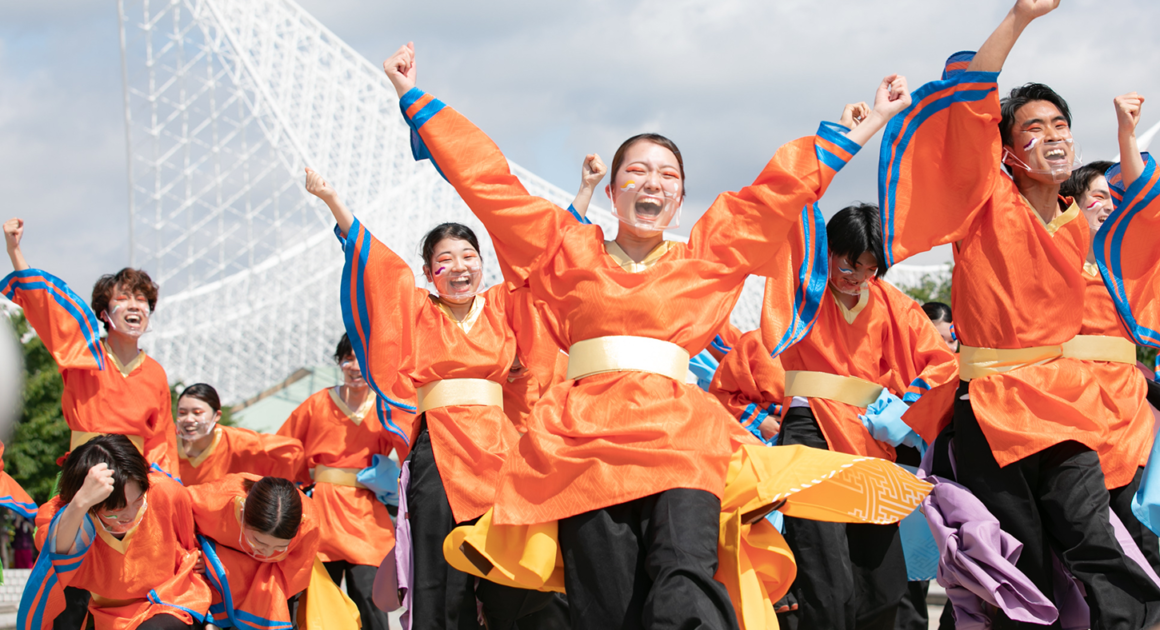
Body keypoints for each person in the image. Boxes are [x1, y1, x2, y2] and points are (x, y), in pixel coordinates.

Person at [381, 41, 922, 629]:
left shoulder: (707, 255)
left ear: (679, 199)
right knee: (606, 604)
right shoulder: (564, 247)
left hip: (681, 438)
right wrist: (415, 98)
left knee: (686, 576)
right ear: (612, 193)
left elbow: (775, 194)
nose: (652, 182)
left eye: (667, 175)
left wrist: (861, 131)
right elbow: (488, 182)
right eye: (636, 171)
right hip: (583, 441)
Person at [876, 1, 1160, 625]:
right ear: (1006, 151)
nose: (1053, 134)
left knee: (1095, 537)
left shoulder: (1082, 226)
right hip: (990, 405)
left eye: (1060, 122)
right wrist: (1021, 17)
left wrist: (1124, 137)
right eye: (1033, 127)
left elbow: (1147, 215)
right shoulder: (986, 200)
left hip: (1064, 404)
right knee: (1016, 557)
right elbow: (974, 95)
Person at [308, 167, 565, 628]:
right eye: (445, 261)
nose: (460, 267)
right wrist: (333, 200)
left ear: (482, 264)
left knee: (509, 565)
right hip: (438, 449)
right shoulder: (419, 309)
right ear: (429, 273)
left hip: (499, 447)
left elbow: (540, 263)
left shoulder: (503, 304)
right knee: (438, 571)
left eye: (469, 256)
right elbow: (378, 268)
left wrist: (581, 199)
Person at [760, 202, 958, 630]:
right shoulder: (801, 287)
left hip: (871, 439)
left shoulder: (892, 303)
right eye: (850, 266)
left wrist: (909, 406)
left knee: (882, 581)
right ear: (827, 250)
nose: (858, 279)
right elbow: (792, 207)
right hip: (808, 431)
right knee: (824, 576)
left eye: (870, 269)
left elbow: (942, 362)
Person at [1, 219, 179, 477]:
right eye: (123, 298)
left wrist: (167, 486)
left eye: (142, 301)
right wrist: (14, 250)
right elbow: (45, 308)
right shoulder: (81, 352)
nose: (134, 306)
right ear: (105, 314)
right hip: (84, 472)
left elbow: (163, 442)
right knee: (55, 518)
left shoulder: (156, 373)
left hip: (135, 482)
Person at [1060, 160, 1160, 576]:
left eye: (1117, 199)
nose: (1109, 206)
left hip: (1130, 420)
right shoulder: (1051, 271)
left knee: (1141, 546)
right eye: (1099, 197)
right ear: (1071, 205)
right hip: (1069, 419)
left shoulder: (1135, 277)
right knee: (1081, 548)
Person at [275, 334, 410, 630]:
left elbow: (409, 446)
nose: (355, 366)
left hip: (366, 516)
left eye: (362, 359)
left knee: (370, 598)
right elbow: (282, 448)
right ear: (339, 363)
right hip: (321, 510)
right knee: (318, 601)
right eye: (347, 358)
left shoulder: (386, 406)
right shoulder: (317, 403)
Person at [17, 434, 209, 630]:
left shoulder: (167, 492)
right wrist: (81, 502)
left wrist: (198, 558)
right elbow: (56, 553)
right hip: (103, 613)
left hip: (168, 602)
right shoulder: (67, 511)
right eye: (116, 510)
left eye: (137, 502)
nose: (129, 515)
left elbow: (190, 541)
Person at [188, 473, 321, 627]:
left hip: (270, 583)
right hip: (210, 580)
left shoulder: (309, 525)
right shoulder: (217, 500)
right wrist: (197, 554)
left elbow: (291, 579)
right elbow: (178, 515)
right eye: (258, 541)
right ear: (242, 514)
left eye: (279, 547)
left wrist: (216, 563)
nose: (267, 553)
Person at [176, 383, 306, 486]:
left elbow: (291, 450)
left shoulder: (238, 441)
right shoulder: (165, 442)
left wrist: (272, 491)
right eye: (182, 413)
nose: (188, 419)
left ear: (217, 416)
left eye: (197, 412)